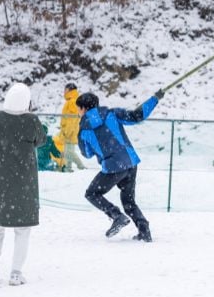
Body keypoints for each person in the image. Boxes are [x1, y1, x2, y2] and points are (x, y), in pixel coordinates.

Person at [77, 89, 164, 242]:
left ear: (84, 109)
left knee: (92, 193)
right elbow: (138, 116)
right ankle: (144, 231)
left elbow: (87, 154)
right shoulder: (112, 114)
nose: (78, 112)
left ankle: (116, 216)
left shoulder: (84, 130)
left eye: (78, 109)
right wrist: (154, 99)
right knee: (129, 201)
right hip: (130, 162)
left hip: (113, 167)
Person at [0, 82, 47, 286]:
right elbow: (41, 140)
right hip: (24, 183)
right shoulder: (31, 121)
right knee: (22, 230)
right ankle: (16, 273)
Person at [58, 83, 85, 172]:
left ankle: (81, 167)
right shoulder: (72, 101)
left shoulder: (72, 102)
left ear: (69, 90)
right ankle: (68, 168)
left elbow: (72, 119)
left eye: (65, 89)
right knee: (68, 151)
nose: (64, 91)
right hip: (69, 130)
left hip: (70, 131)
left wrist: (67, 131)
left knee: (69, 152)